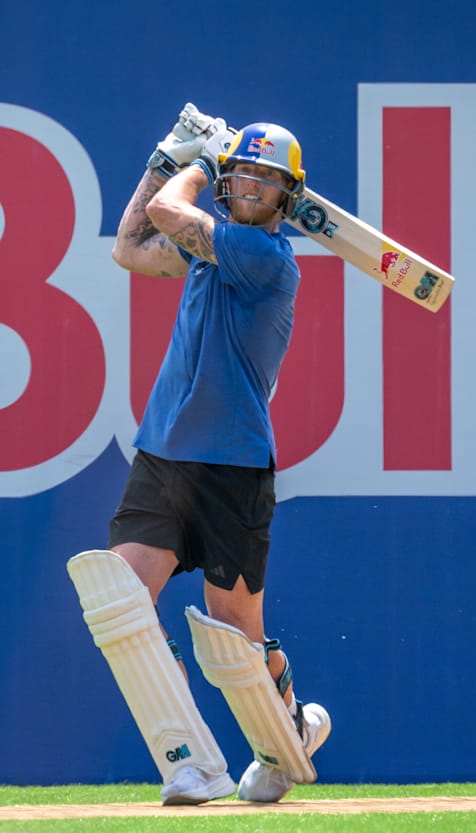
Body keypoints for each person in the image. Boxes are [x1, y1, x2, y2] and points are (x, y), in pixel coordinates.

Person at [70, 103, 330, 805]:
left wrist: (196, 160)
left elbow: (167, 209)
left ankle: (290, 732)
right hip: (163, 456)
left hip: (234, 465)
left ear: (287, 196)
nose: (248, 186)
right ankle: (191, 762)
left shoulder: (267, 259)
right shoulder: (211, 248)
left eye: (263, 178)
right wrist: (168, 156)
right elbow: (130, 245)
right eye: (240, 173)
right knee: (120, 599)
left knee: (233, 635)